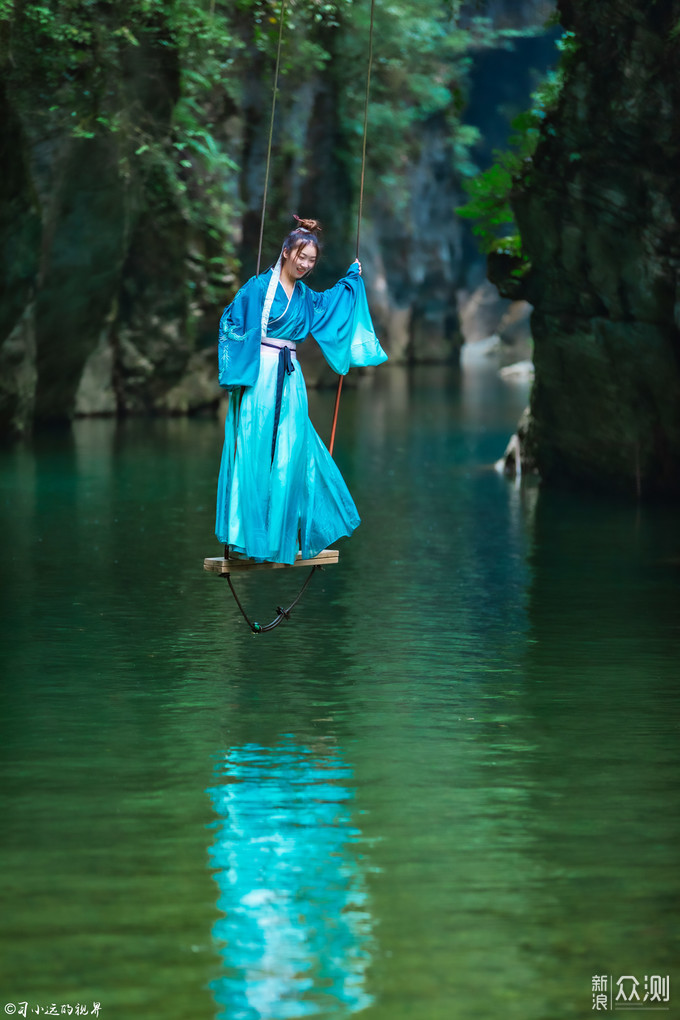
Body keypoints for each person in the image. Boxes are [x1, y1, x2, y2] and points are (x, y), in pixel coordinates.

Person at [215, 216, 387, 565]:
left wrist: (351, 281)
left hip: (290, 378)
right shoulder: (257, 288)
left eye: (311, 261)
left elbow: (331, 306)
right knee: (254, 449)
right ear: (286, 252)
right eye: (301, 257)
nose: (306, 265)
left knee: (292, 453)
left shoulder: (307, 298)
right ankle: (245, 539)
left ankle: (281, 539)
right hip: (259, 376)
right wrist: (245, 357)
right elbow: (229, 323)